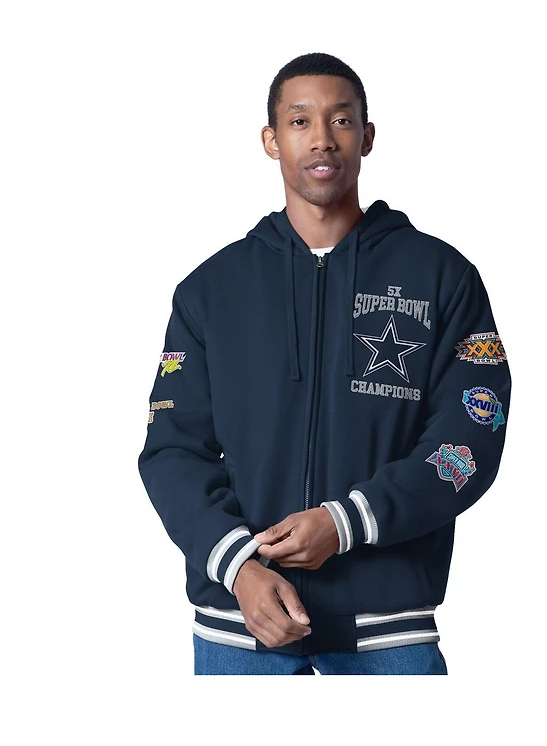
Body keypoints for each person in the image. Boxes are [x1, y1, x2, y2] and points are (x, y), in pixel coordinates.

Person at [137, 52, 511, 675]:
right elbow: (171, 449)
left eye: (341, 120)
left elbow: (471, 435)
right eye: (300, 121)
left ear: (367, 136)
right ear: (271, 140)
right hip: (241, 625)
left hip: (387, 628)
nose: (322, 139)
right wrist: (238, 567)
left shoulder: (442, 277)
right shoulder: (210, 290)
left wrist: (346, 523)